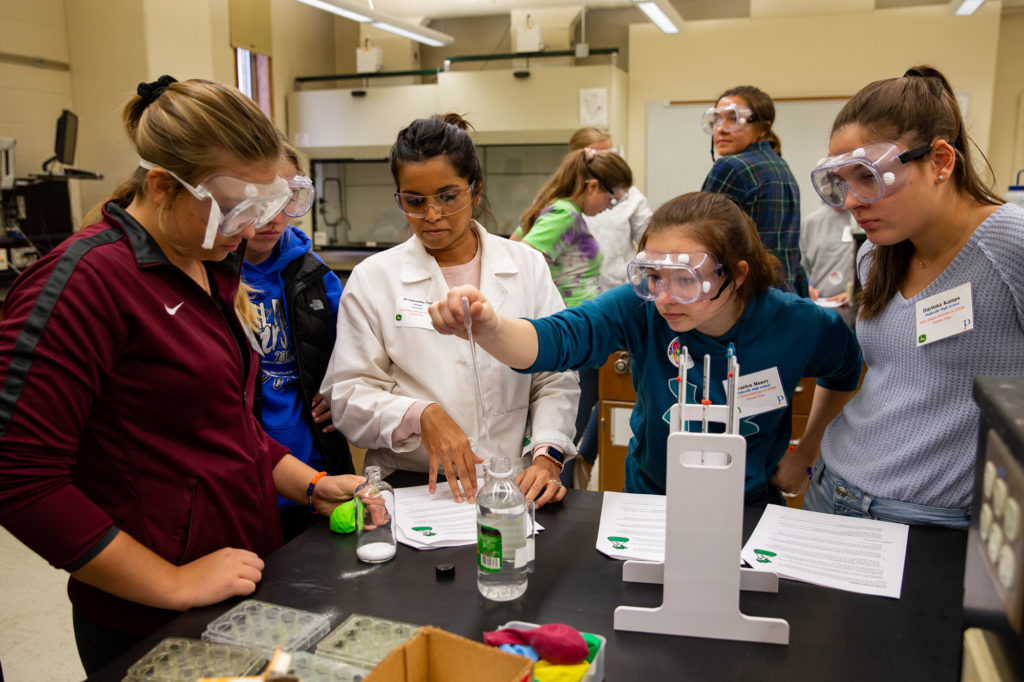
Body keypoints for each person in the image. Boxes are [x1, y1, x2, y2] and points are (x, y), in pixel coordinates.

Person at [0, 76, 365, 674]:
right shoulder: (85, 283)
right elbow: (19, 477)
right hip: (148, 613)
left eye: (265, 208)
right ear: (164, 186)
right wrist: (171, 583)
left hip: (241, 579)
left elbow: (225, 423)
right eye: (236, 210)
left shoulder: (210, 265)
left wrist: (309, 484)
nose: (252, 231)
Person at [430, 191, 863, 507]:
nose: (665, 297)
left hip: (748, 505)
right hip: (650, 499)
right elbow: (559, 339)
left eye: (685, 279)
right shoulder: (642, 310)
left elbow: (845, 372)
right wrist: (489, 327)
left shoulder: (800, 324)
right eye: (653, 276)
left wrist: (807, 450)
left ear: (736, 274)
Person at [800, 66, 1024, 528]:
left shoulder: (1010, 245)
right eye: (840, 182)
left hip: (931, 520)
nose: (853, 201)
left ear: (941, 161)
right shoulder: (877, 257)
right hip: (831, 488)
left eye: (868, 176)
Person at [320, 113, 579, 508]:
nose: (432, 215)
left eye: (447, 196)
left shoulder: (526, 267)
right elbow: (347, 396)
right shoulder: (374, 279)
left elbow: (555, 375)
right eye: (414, 201)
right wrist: (419, 415)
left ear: (475, 191)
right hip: (413, 485)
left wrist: (548, 455)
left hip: (512, 482)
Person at [242, 139, 355, 542]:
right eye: (262, 200)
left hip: (313, 467)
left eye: (290, 198)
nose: (276, 216)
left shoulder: (314, 274)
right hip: (245, 476)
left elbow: (357, 347)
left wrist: (341, 385)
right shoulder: (212, 276)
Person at [512, 148, 635, 480]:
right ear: (592, 186)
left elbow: (514, 244)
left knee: (574, 428)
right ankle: (555, 490)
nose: (609, 207)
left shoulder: (565, 212)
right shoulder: (565, 213)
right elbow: (519, 257)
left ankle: (566, 478)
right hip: (571, 331)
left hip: (577, 328)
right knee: (564, 434)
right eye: (611, 198)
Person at [700, 85, 808, 297]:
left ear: (763, 128)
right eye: (716, 120)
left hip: (746, 297)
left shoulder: (731, 167)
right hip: (782, 297)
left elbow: (700, 240)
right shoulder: (780, 166)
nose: (720, 128)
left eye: (733, 119)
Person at [567, 127, 653, 292]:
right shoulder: (562, 201)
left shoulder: (628, 195)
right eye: (599, 156)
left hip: (620, 290)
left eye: (611, 154)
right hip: (575, 293)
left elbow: (650, 239)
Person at [800, 202, 857, 327]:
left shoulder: (860, 219)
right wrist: (807, 286)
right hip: (819, 306)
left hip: (852, 308)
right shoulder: (811, 222)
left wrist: (854, 292)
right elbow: (801, 266)